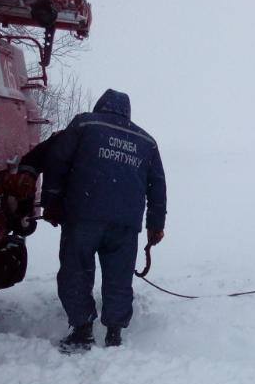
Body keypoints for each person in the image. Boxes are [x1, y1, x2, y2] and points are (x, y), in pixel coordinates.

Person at [40, 88, 167, 353]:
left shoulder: (86, 124)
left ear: (101, 106)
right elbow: (157, 186)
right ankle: (114, 333)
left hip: (84, 215)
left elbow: (57, 161)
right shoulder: (146, 141)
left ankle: (82, 331)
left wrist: (51, 201)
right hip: (125, 224)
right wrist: (156, 225)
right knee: (119, 277)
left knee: (76, 271)